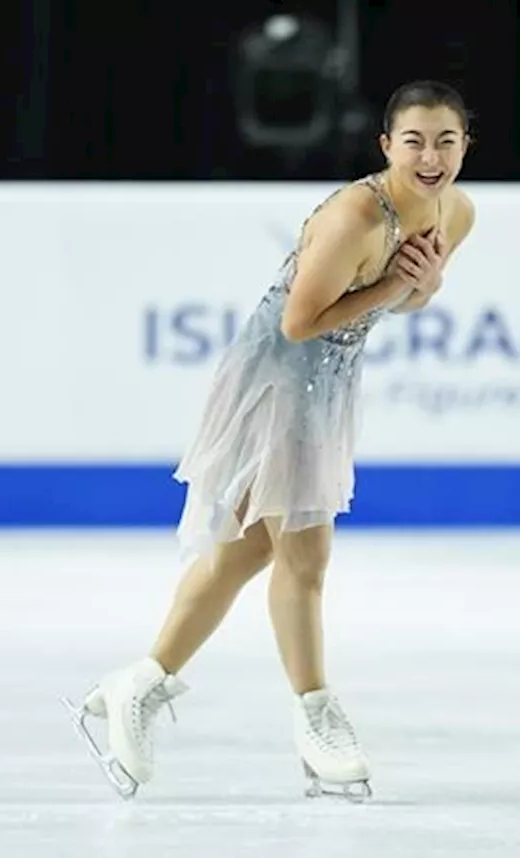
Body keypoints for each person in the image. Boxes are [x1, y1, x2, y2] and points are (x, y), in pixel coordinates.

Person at [63, 79, 477, 801]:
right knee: (306, 553)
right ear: (386, 146)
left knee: (251, 546)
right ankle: (316, 716)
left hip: (331, 377)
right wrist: (395, 293)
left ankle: (139, 683)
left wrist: (430, 285)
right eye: (414, 140)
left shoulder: (457, 212)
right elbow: (298, 322)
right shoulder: (356, 213)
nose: (431, 155)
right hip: (280, 375)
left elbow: (408, 297)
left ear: (466, 146)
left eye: (446, 140)